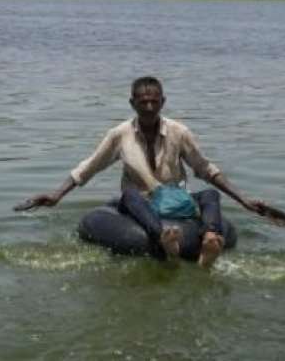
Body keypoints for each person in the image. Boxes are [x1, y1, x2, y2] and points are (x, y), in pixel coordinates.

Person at [16, 76, 270, 268]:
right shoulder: (120, 135)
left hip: (175, 202)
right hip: (141, 204)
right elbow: (89, 167)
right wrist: (56, 195)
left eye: (154, 100)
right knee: (129, 195)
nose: (149, 106)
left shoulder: (179, 132)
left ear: (163, 102)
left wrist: (244, 200)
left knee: (210, 195)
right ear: (132, 103)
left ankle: (210, 240)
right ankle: (164, 238)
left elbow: (205, 168)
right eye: (143, 101)